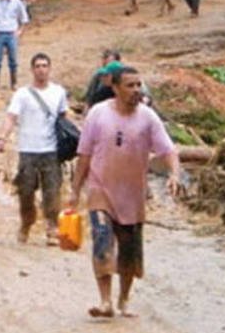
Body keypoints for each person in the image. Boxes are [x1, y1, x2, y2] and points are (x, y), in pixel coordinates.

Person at [68, 66, 182, 318]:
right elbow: (84, 155)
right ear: (115, 88)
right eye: (130, 85)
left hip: (132, 193)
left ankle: (123, 300)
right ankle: (105, 301)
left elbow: (168, 150)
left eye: (139, 85)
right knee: (101, 242)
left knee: (129, 251)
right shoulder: (98, 114)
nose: (136, 90)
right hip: (100, 190)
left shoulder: (148, 117)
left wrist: (174, 173)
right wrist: (75, 190)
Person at [0, 53, 68, 246]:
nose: (41, 69)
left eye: (45, 65)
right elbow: (11, 117)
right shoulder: (22, 94)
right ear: (32, 69)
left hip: (51, 150)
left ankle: (52, 227)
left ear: (50, 68)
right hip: (27, 149)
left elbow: (64, 118)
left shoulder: (58, 92)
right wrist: (2, 137)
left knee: (52, 191)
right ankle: (26, 223)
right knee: (25, 191)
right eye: (37, 66)